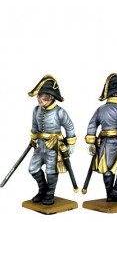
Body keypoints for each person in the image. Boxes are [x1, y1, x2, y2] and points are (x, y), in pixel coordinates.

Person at [28, 75, 76, 205]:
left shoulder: (60, 112)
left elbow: (69, 127)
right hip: (40, 146)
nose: (39, 99)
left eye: (43, 96)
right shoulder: (36, 110)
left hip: (54, 147)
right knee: (33, 168)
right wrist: (33, 139)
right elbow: (34, 127)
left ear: (51, 97)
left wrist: (71, 143)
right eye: (39, 96)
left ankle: (49, 194)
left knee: (51, 171)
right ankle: (42, 190)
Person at [85, 73, 117, 203]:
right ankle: (115, 191)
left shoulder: (100, 109)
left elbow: (92, 125)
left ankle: (112, 194)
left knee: (107, 171)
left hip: (104, 145)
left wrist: (91, 142)